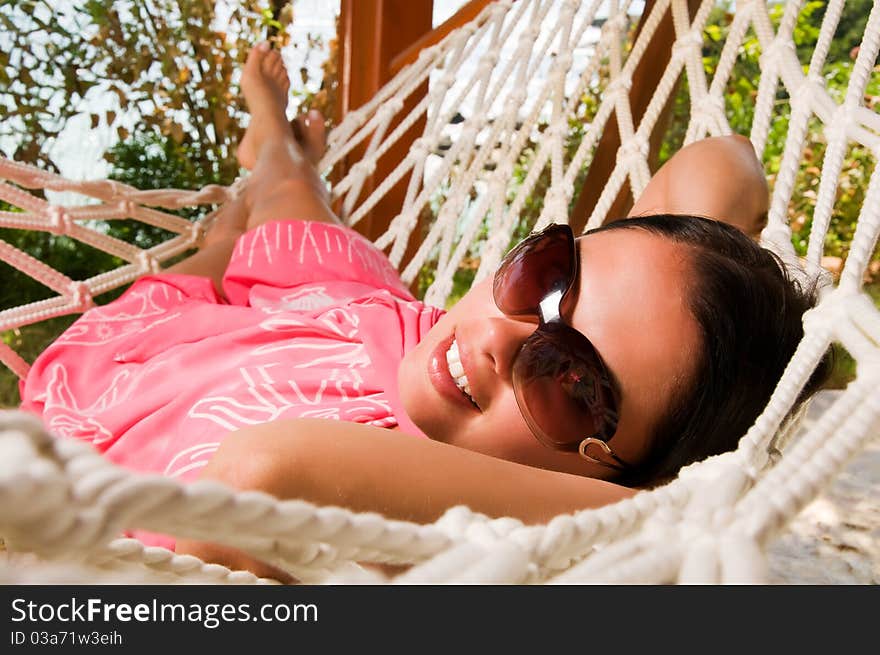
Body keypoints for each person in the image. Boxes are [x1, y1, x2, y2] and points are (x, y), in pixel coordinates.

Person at [18, 43, 827, 580]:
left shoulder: (423, 538)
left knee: (189, 279)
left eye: (574, 383)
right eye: (546, 272)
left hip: (145, 388)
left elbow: (265, 470)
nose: (504, 338)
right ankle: (274, 142)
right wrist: (720, 255)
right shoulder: (461, 344)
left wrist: (656, 513)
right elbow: (724, 161)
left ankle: (256, 182)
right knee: (288, 202)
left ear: (630, 473)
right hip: (359, 317)